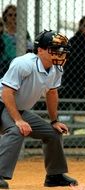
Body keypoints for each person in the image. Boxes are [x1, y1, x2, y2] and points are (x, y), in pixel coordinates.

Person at [0, 30, 78, 189]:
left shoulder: (56, 68)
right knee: (17, 130)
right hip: (2, 104)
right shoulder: (24, 63)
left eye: (62, 50)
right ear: (40, 50)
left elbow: (52, 93)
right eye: (54, 49)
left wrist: (54, 120)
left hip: (17, 108)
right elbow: (7, 92)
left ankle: (54, 176)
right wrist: (18, 120)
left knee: (53, 133)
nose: (60, 53)